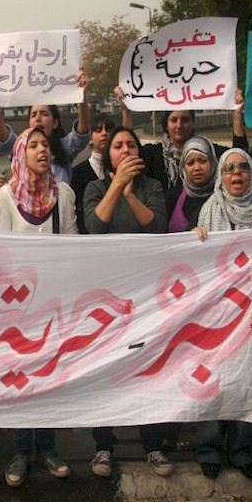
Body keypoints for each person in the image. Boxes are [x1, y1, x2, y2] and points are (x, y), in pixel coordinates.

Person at [0, 128, 77, 487]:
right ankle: (22, 451)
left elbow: (72, 247)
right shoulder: (5, 200)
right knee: (23, 381)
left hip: (54, 306)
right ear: (21, 154)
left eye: (45, 145)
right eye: (34, 145)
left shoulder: (65, 195)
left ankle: (48, 448)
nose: (42, 151)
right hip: (18, 312)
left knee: (50, 380)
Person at [83, 126, 171, 477]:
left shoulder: (151, 188)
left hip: (145, 295)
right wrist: (117, 186)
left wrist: (132, 194)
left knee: (146, 368)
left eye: (130, 145)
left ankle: (153, 446)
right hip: (106, 295)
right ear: (109, 155)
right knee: (106, 370)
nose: (124, 150)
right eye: (117, 146)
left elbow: (157, 228)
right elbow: (94, 226)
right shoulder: (95, 187)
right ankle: (103, 446)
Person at [192, 147, 252, 480]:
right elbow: (199, 265)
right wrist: (195, 239)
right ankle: (209, 449)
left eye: (243, 168)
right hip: (217, 314)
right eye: (229, 169)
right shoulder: (209, 210)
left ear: (251, 175)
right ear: (221, 176)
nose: (236, 175)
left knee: (247, 381)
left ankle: (242, 449)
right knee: (212, 381)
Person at [118, 88, 249, 194]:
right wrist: (126, 111)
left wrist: (237, 114)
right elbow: (128, 152)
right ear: (166, 124)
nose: (179, 125)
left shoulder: (208, 152)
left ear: (192, 123)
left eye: (185, 120)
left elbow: (239, 155)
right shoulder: (153, 154)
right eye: (174, 120)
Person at [0, 67, 91, 183]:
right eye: (33, 115)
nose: (38, 118)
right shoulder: (21, 147)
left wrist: (82, 96)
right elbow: (1, 134)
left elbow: (82, 132)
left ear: (55, 123)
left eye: (44, 114)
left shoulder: (64, 148)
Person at [70, 115, 114, 233]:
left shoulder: (120, 170)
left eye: (108, 130)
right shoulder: (77, 174)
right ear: (90, 137)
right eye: (98, 130)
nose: (104, 134)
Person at [166, 136, 218, 233]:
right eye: (190, 163)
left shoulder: (223, 197)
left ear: (212, 163)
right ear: (183, 167)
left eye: (202, 161)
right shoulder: (173, 197)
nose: (197, 168)